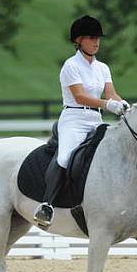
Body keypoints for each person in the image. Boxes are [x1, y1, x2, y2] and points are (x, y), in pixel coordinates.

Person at [33, 15, 129, 228]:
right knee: (66, 157)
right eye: (91, 38)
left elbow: (111, 93)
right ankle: (46, 205)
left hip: (95, 118)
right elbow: (79, 96)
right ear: (78, 40)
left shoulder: (102, 67)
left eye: (98, 38)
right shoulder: (70, 65)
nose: (96, 42)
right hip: (74, 118)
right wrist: (107, 105)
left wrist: (123, 105)